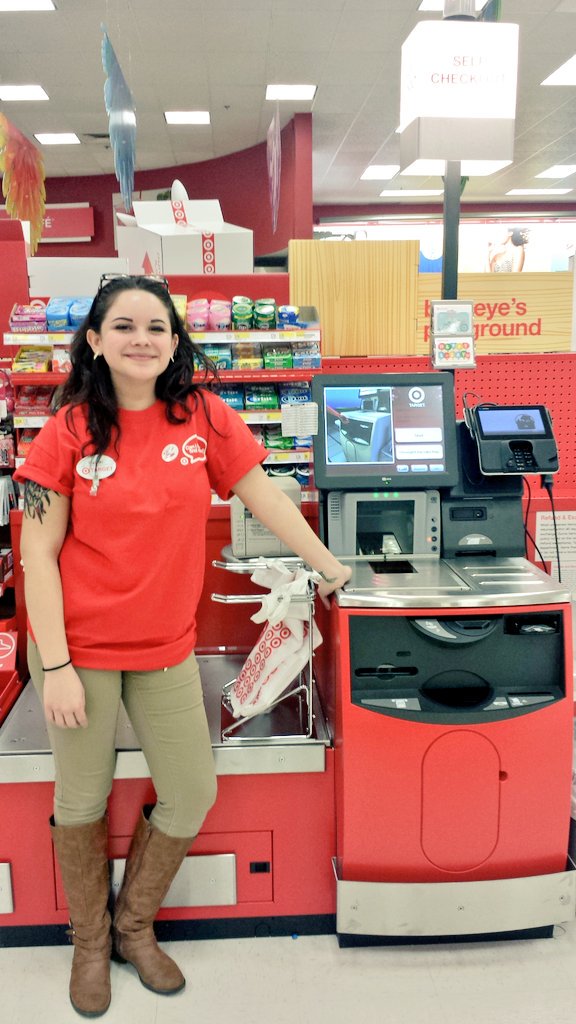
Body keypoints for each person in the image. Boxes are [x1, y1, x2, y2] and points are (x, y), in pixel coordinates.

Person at [14, 274, 352, 1018]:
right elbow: (38, 556)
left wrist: (327, 566)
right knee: (82, 798)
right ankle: (92, 945)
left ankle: (134, 927)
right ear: (95, 341)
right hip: (79, 649)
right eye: (125, 326)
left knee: (192, 790)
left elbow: (262, 493)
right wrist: (59, 667)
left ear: (175, 342)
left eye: (158, 328)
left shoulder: (201, 416)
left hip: (165, 644)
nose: (143, 339)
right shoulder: (66, 430)